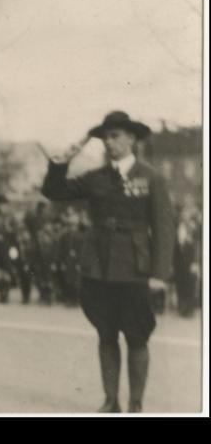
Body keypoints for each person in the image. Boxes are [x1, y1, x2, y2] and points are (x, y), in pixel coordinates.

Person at [42, 111, 174, 413]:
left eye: (115, 136)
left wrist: (159, 275)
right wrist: (61, 162)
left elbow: (164, 228)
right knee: (106, 334)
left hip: (135, 270)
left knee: (137, 336)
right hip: (98, 268)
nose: (109, 142)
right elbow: (54, 191)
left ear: (131, 138)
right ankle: (111, 400)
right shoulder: (96, 177)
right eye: (105, 137)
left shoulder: (151, 177)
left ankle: (135, 404)